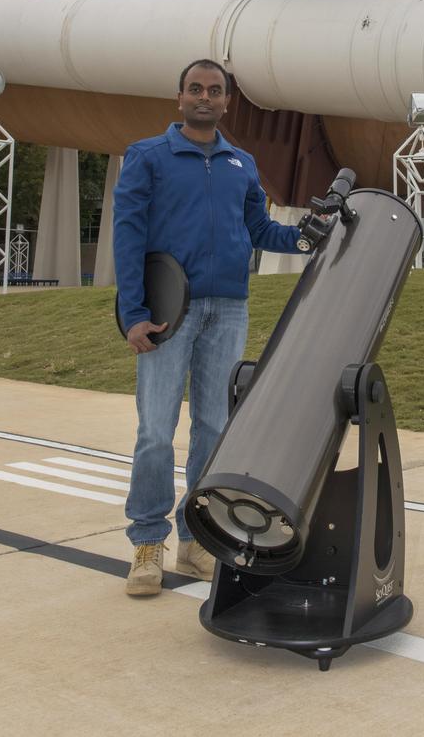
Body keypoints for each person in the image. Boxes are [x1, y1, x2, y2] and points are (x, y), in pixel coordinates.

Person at [114, 58, 304, 596]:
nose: (204, 97)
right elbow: (127, 237)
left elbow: (262, 230)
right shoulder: (148, 157)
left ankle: (196, 541)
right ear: (179, 99)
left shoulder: (242, 163)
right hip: (168, 311)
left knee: (215, 429)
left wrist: (310, 236)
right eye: (195, 89)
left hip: (229, 308)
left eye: (214, 91)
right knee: (155, 431)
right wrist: (132, 313)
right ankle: (147, 543)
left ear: (227, 103)